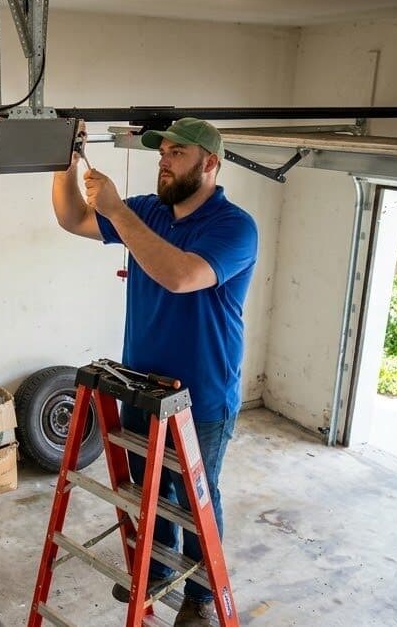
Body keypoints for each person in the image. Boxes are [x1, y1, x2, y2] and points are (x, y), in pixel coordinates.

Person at [51, 117, 258, 625]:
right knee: (149, 489)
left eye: (177, 153)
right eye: (162, 152)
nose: (164, 160)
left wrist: (119, 211)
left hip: (201, 396)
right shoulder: (148, 211)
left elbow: (180, 276)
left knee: (196, 497)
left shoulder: (234, 226)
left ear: (210, 164)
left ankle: (201, 597)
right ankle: (161, 570)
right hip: (142, 386)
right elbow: (72, 218)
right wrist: (65, 159)